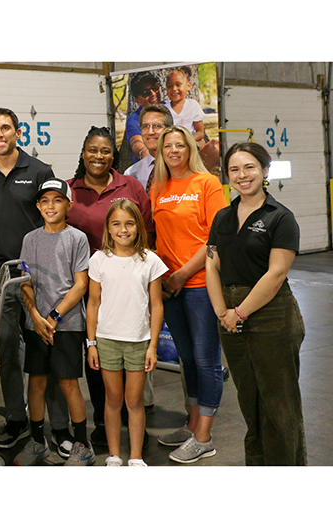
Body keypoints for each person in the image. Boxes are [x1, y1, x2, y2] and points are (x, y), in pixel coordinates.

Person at [0, 107, 73, 458]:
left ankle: (59, 426)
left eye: (6, 128)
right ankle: (16, 419)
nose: (0, 134)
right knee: (6, 348)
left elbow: (54, 216)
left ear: (18, 132)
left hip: (38, 274)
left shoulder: (39, 171)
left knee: (47, 349)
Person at [206, 142, 306, 465]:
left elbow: (276, 274)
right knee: (249, 400)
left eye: (249, 167)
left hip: (271, 315)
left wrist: (239, 312)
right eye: (234, 169)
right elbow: (211, 264)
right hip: (231, 315)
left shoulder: (280, 218)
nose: (241, 175)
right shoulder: (223, 217)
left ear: (265, 171)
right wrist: (222, 311)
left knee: (279, 404)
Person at [66, 125, 155, 447]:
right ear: (83, 152)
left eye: (105, 151)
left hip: (129, 285)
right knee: (97, 355)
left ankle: (136, 422)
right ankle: (104, 423)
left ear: (113, 156)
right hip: (86, 287)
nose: (98, 156)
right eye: (92, 149)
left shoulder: (130, 186)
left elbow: (147, 230)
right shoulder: (69, 190)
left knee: (133, 350)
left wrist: (145, 277)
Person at [150, 125, 227, 463]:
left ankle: (205, 437)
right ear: (161, 151)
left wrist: (182, 274)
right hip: (169, 289)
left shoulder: (207, 183)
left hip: (199, 285)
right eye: (168, 146)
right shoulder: (158, 187)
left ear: (190, 148)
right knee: (187, 359)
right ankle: (193, 423)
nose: (174, 151)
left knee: (207, 359)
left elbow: (216, 237)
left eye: (181, 145)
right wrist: (163, 278)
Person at [15, 179, 94, 466]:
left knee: (68, 384)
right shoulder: (30, 240)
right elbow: (25, 282)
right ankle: (38, 442)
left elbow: (80, 284)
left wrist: (53, 316)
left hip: (67, 325)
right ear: (38, 206)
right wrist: (35, 316)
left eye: (57, 200)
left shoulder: (77, 239)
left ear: (69, 205)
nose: (50, 205)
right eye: (45, 201)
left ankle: (82, 444)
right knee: (35, 383)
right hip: (36, 326)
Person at [86, 199, 168, 467]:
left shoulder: (150, 261)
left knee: (134, 402)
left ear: (138, 226)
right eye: (117, 224)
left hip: (139, 342)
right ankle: (114, 455)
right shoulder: (99, 260)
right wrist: (91, 343)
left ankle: (135, 457)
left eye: (130, 223)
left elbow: (156, 305)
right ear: (108, 228)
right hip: (107, 340)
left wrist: (153, 346)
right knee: (112, 400)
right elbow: (94, 303)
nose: (123, 229)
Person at [124, 105, 173, 192]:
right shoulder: (131, 174)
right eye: (145, 126)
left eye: (157, 126)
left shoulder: (182, 169)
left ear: (169, 129)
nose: (150, 132)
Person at [126, 72, 162, 163]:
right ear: (137, 100)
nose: (153, 93)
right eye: (145, 92)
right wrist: (144, 152)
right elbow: (135, 141)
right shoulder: (134, 120)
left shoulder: (171, 108)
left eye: (155, 87)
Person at [165, 67, 205, 146]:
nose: (174, 89)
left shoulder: (192, 105)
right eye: (169, 86)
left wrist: (187, 141)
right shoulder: (164, 108)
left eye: (178, 85)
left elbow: (200, 132)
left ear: (188, 85)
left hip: (190, 142)